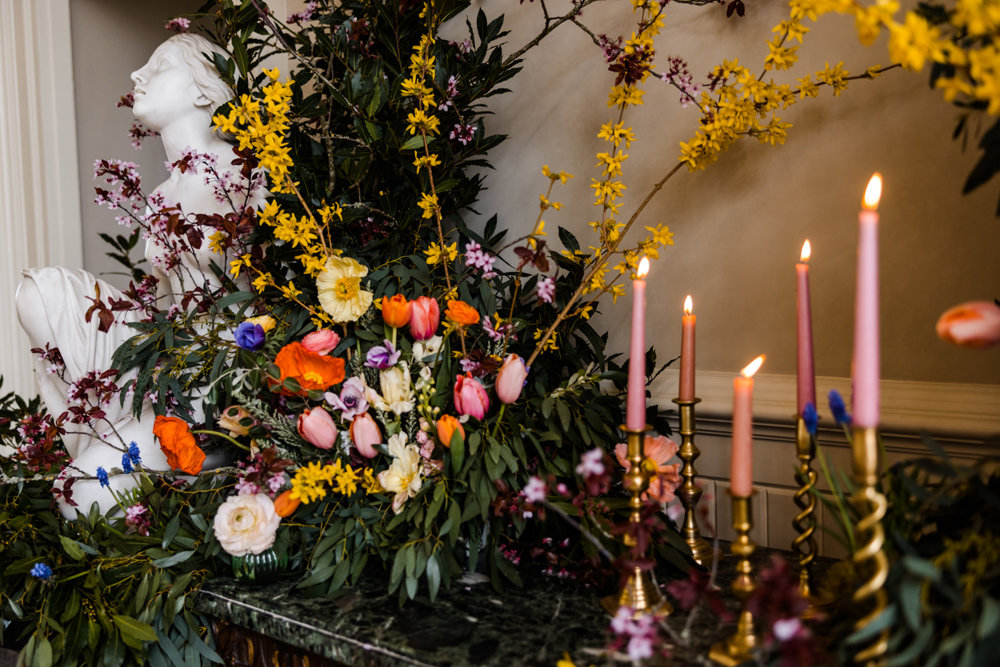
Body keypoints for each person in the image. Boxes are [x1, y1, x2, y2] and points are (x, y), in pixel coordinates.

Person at [15, 34, 259, 518]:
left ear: (204, 90)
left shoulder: (251, 175)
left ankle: (146, 464)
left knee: (79, 495)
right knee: (36, 292)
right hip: (170, 363)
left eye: (160, 64)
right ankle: (102, 430)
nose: (136, 75)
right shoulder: (163, 195)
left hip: (226, 380)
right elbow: (166, 311)